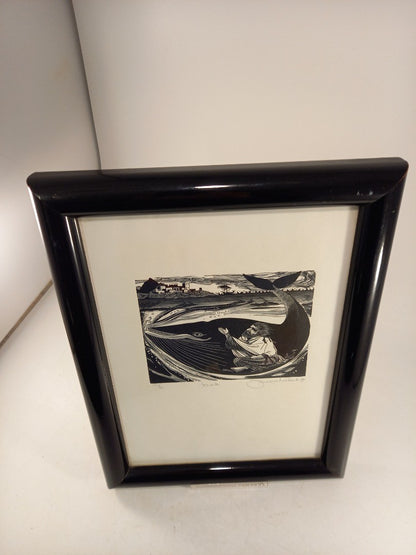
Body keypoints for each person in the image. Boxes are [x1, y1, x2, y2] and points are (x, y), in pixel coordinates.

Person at [218, 322, 284, 370]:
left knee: (272, 360)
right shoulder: (245, 337)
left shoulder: (265, 340)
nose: (248, 329)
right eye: (250, 327)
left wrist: (256, 357)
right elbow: (236, 345)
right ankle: (247, 367)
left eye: (253, 329)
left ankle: (247, 368)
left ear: (260, 333)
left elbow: (270, 353)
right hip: (252, 360)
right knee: (237, 360)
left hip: (266, 359)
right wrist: (227, 334)